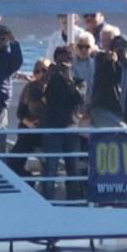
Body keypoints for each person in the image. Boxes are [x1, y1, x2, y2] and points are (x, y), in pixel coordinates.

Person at [40, 46, 84, 196]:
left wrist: (68, 79)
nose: (62, 64)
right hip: (52, 130)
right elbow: (38, 96)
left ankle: (72, 202)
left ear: (71, 61)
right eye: (59, 61)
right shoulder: (49, 80)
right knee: (51, 168)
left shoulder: (78, 81)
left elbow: (80, 100)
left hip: (71, 129)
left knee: (73, 169)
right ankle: (48, 201)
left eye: (66, 60)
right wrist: (47, 76)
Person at [87, 35, 127, 128]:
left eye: (123, 45)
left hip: (121, 111)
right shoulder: (103, 60)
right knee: (123, 130)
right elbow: (99, 57)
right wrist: (109, 60)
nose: (120, 48)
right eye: (116, 46)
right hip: (103, 110)